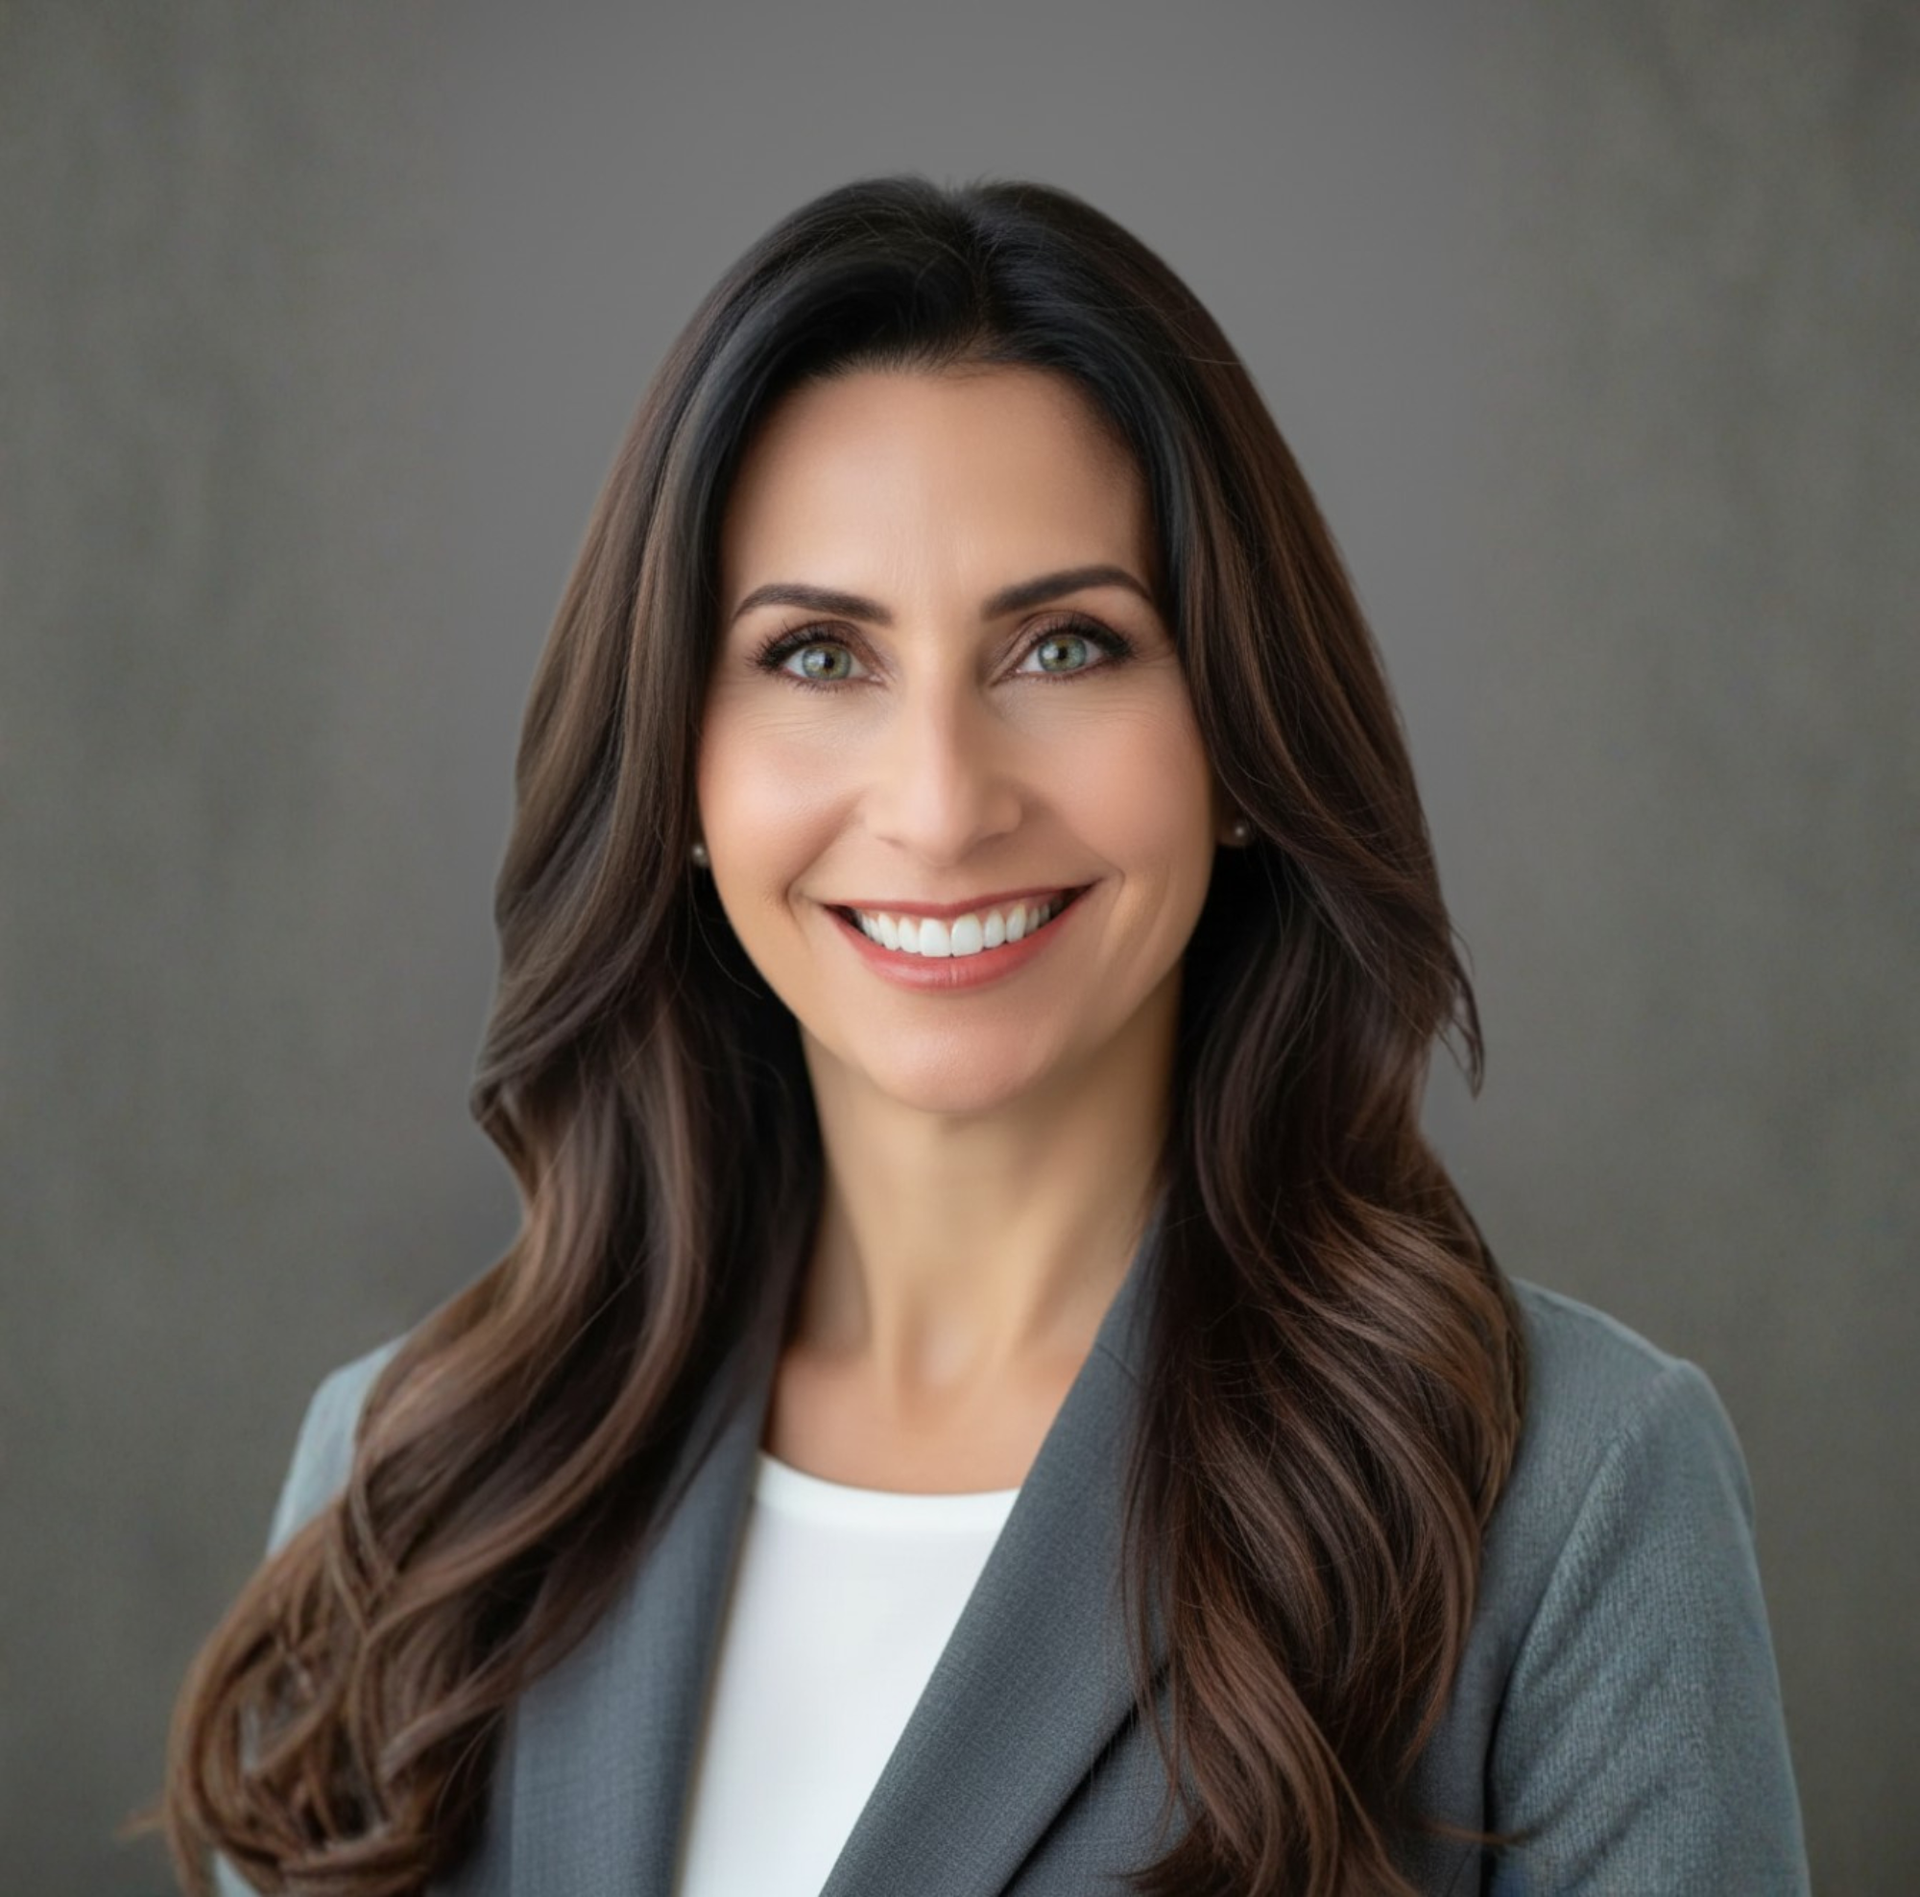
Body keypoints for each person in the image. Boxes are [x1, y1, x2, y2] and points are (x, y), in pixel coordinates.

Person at [162, 175, 1810, 1896]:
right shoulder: (412, 1485)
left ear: (1236, 743)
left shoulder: (1573, 1502)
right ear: (681, 774)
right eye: (816, 656)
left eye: (1065, 644)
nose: (942, 806)